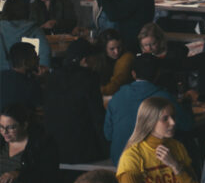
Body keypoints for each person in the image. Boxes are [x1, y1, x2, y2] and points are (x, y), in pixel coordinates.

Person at [116, 96, 198, 183]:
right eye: (165, 119)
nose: (173, 122)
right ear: (149, 122)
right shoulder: (132, 156)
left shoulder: (177, 147)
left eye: (173, 117)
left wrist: (175, 165)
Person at [104, 54, 194, 164]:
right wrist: (187, 104)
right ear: (158, 73)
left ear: (133, 74)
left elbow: (108, 134)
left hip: (120, 159)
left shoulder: (117, 96)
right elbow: (187, 125)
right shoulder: (164, 98)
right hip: (153, 162)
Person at [44, 38, 108, 166]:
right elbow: (98, 117)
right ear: (84, 60)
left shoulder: (52, 77)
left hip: (54, 149)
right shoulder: (89, 78)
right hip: (82, 151)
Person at [0, 0, 51, 71]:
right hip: (27, 74)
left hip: (3, 76)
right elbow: (46, 51)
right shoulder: (33, 28)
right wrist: (42, 70)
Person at [138, 22, 188, 94]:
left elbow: (181, 77)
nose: (149, 48)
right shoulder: (141, 58)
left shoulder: (175, 53)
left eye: (153, 44)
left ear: (160, 40)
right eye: (146, 45)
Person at [0, 43, 42, 111]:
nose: (38, 59)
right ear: (24, 62)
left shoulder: (2, 76)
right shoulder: (31, 85)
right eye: (35, 57)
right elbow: (39, 109)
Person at [97, 28, 135, 96]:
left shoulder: (127, 58)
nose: (116, 52)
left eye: (119, 47)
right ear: (104, 49)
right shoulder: (99, 58)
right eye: (112, 49)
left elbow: (116, 83)